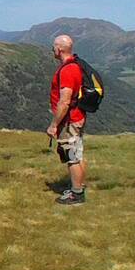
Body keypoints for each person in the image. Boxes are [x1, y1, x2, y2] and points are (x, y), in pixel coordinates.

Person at [47, 35, 87, 205]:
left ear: (59, 49)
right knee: (77, 154)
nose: (52, 50)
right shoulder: (75, 65)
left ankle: (76, 195)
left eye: (54, 47)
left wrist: (54, 125)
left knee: (71, 157)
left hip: (69, 121)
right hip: (77, 116)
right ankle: (79, 186)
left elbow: (64, 101)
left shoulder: (67, 70)